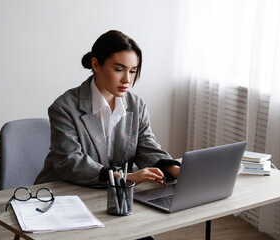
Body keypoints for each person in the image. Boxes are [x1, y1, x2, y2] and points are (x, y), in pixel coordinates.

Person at [35, 30, 180, 187]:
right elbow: (70, 162)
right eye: (119, 69)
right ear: (96, 65)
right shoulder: (64, 108)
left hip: (109, 195)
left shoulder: (136, 105)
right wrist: (124, 177)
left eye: (132, 71)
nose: (127, 79)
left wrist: (173, 169)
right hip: (61, 192)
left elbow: (146, 147)